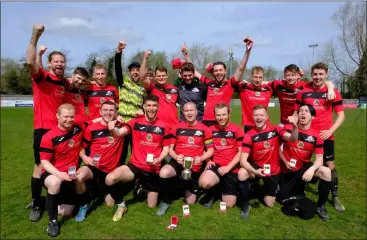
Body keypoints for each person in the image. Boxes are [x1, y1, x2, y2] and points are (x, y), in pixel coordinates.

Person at [26, 24, 69, 222]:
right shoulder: (42, 78)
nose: (60, 64)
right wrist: (35, 38)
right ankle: (36, 203)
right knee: (39, 166)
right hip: (43, 129)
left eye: (62, 62)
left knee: (57, 164)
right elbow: (31, 64)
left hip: (60, 129)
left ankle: (55, 195)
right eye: (56, 62)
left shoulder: (64, 82)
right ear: (50, 64)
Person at [106, 94, 171, 221]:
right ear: (144, 106)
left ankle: (142, 186)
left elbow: (166, 149)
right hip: (135, 165)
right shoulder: (135, 122)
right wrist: (112, 129)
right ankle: (121, 204)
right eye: (148, 105)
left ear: (158, 107)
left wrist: (159, 159)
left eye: (154, 106)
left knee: (151, 205)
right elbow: (118, 134)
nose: (151, 108)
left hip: (153, 168)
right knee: (110, 178)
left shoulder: (164, 126)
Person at [292, 62, 345, 212]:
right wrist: (294, 127)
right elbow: (296, 113)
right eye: (315, 74)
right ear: (311, 74)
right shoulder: (304, 91)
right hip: (306, 135)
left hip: (325, 135)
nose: (317, 77)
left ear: (326, 74)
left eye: (321, 74)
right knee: (302, 161)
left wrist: (330, 130)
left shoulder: (332, 91)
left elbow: (341, 115)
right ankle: (299, 188)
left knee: (330, 165)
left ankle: (334, 195)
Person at [238, 105, 298, 218]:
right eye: (256, 115)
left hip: (273, 169)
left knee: (269, 203)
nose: (258, 117)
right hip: (256, 166)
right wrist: (255, 171)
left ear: (266, 117)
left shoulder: (276, 129)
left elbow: (293, 139)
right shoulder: (249, 135)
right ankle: (245, 205)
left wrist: (295, 127)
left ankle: (256, 188)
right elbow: (243, 161)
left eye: (261, 115)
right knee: (242, 173)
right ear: (252, 117)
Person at [156, 102, 214, 216]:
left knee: (190, 202)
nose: (189, 113)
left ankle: (187, 187)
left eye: (191, 110)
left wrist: (201, 158)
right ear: (183, 112)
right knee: (164, 172)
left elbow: (211, 150)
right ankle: (166, 201)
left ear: (196, 111)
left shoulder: (205, 129)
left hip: (195, 166)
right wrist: (176, 157)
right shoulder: (176, 127)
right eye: (186, 110)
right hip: (178, 162)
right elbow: (170, 149)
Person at [181, 38, 253, 126]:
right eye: (216, 71)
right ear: (213, 72)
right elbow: (194, 72)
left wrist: (247, 51)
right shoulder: (209, 83)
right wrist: (187, 56)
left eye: (220, 70)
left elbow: (241, 68)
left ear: (225, 71)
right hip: (206, 122)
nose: (218, 73)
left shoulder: (231, 84)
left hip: (221, 121)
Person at [279, 104, 332, 221]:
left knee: (327, 172)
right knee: (283, 199)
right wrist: (284, 160)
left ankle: (321, 206)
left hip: (303, 167)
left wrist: (311, 169)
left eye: (306, 111)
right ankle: (291, 187)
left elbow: (319, 159)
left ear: (312, 116)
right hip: (286, 168)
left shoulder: (316, 136)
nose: (302, 113)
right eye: (300, 111)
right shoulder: (287, 127)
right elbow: (278, 147)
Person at [74, 101, 125, 222]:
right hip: (94, 168)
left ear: (116, 112)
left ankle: (98, 190)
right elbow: (81, 148)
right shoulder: (91, 129)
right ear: (100, 112)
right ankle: (83, 205)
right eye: (105, 110)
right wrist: (85, 158)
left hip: (110, 171)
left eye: (111, 110)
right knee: (78, 177)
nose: (108, 112)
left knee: (110, 204)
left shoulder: (121, 127)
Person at [39, 104, 85, 237]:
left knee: (67, 213)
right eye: (66, 116)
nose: (69, 120)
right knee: (54, 183)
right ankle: (52, 222)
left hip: (70, 174)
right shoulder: (48, 137)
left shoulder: (78, 127)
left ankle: (45, 201)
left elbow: (94, 120)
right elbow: (44, 162)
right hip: (53, 173)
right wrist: (59, 174)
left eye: (71, 117)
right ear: (58, 116)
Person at [198, 103, 244, 209]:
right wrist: (208, 160)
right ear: (214, 115)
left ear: (229, 114)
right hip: (217, 164)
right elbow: (206, 148)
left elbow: (241, 152)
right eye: (218, 115)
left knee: (229, 204)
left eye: (223, 114)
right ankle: (212, 193)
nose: (221, 118)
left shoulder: (237, 130)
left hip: (231, 167)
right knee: (204, 183)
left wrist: (228, 167)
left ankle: (225, 188)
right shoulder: (210, 129)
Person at [35, 45, 92, 124]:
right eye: (78, 78)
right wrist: (39, 55)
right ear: (73, 75)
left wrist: (95, 82)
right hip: (62, 123)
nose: (80, 81)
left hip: (79, 126)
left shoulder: (80, 89)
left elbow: (87, 83)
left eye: (62, 62)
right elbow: (40, 71)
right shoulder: (65, 83)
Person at [269, 64, 335, 126]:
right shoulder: (278, 84)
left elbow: (323, 81)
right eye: (288, 75)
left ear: (298, 75)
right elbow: (264, 83)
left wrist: (331, 89)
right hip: (284, 123)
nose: (290, 78)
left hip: (300, 124)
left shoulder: (304, 85)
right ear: (284, 76)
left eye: (293, 75)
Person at [114, 41, 146, 165]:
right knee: (120, 152)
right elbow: (117, 67)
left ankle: (136, 179)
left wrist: (142, 112)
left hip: (135, 125)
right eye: (133, 70)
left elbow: (147, 106)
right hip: (121, 123)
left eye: (138, 70)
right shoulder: (124, 82)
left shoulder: (143, 88)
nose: (135, 72)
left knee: (136, 152)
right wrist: (119, 51)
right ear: (129, 72)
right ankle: (119, 176)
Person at [140, 50, 179, 126]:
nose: (161, 78)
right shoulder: (151, 87)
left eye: (163, 75)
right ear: (155, 77)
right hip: (157, 127)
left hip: (173, 127)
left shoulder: (175, 89)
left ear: (167, 75)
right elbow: (142, 77)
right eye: (159, 76)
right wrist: (145, 58)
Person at [236, 66, 273, 133]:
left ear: (262, 78)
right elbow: (231, 83)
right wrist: (241, 83)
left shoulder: (268, 89)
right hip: (249, 125)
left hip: (264, 125)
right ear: (251, 77)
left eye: (260, 77)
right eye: (255, 77)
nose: (257, 80)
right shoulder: (244, 88)